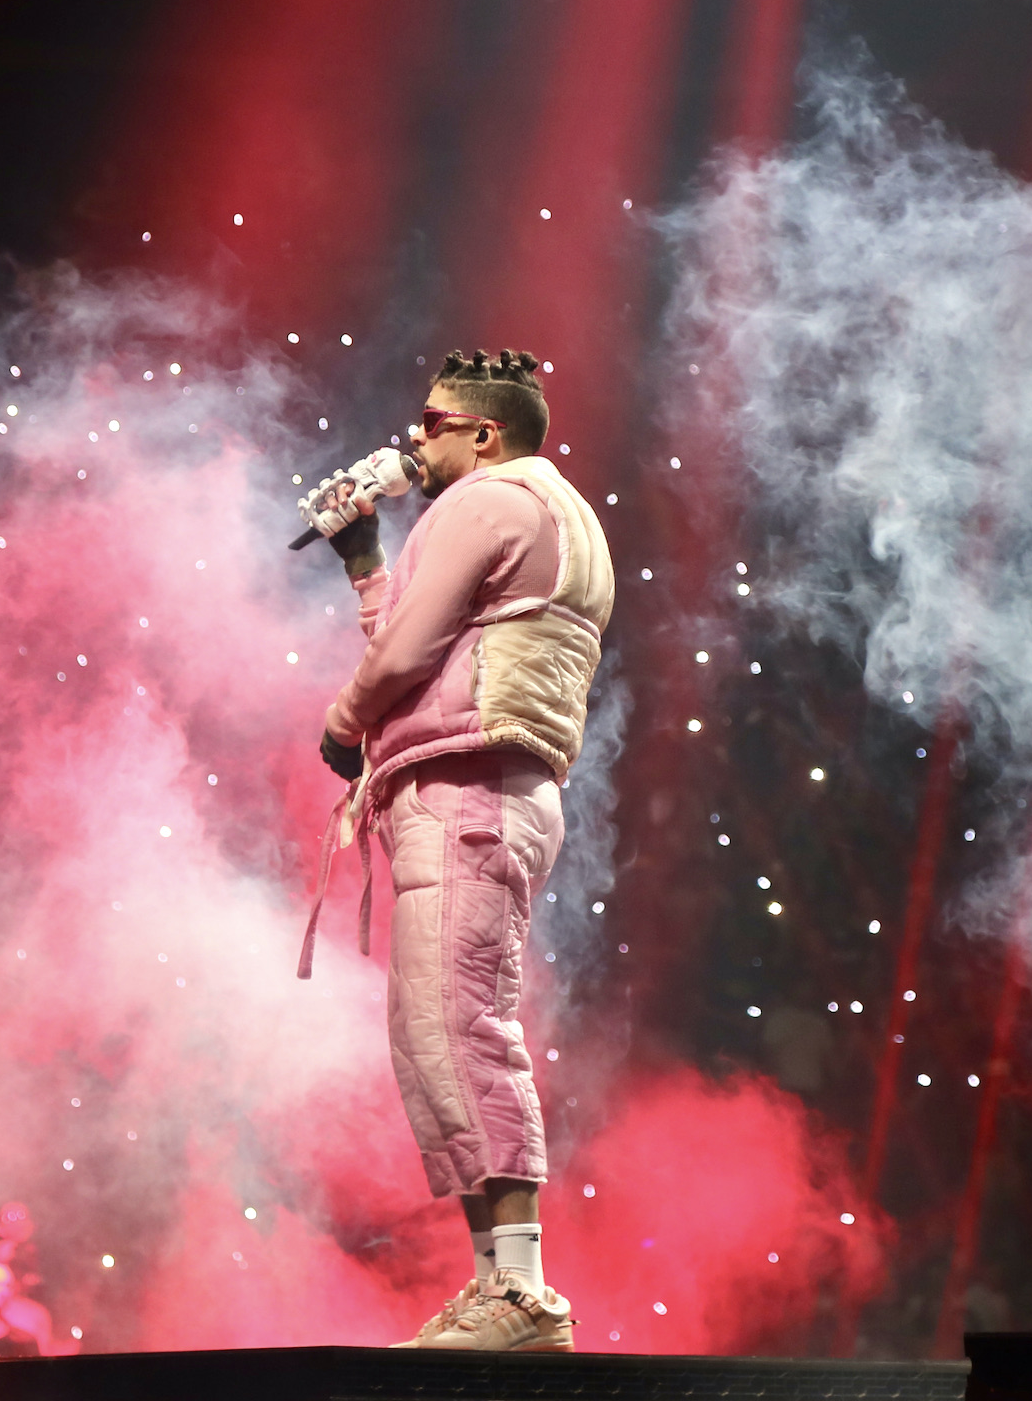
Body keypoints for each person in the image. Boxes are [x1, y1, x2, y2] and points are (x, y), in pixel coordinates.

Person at [299, 349, 613, 1353]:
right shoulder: (535, 509)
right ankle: (498, 1288)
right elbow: (414, 639)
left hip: (471, 790)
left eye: (430, 424)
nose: (413, 442)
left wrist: (343, 727)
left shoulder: (489, 502)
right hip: (477, 788)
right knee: (436, 1028)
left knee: (460, 1023)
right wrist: (361, 556)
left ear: (483, 432)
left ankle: (520, 1294)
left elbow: (400, 659)